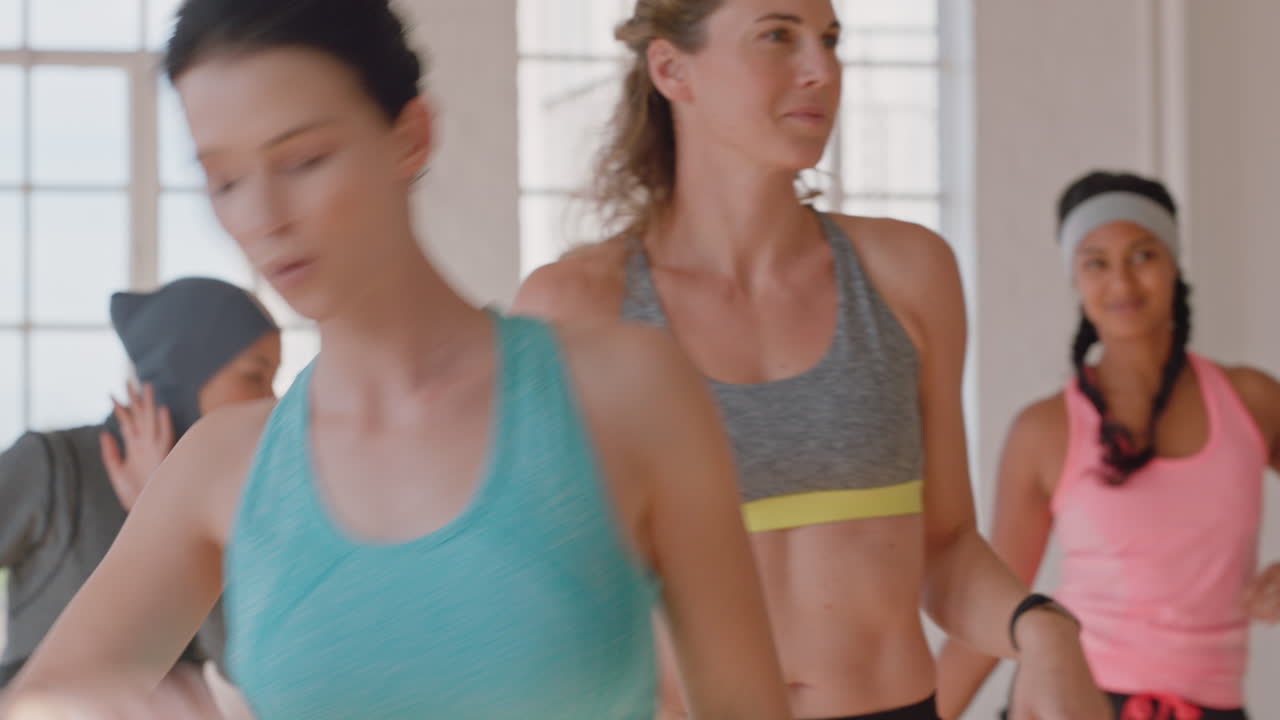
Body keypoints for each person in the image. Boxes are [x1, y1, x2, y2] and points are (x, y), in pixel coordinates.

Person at [0, 1, 791, 718]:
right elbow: (40, 705)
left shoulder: (628, 393)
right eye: (226, 180)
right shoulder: (219, 469)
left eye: (304, 160)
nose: (263, 216)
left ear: (409, 134)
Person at [513, 1, 1111, 718]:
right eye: (777, 36)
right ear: (672, 69)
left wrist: (1043, 629)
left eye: (830, 40)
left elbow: (946, 545)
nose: (821, 70)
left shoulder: (908, 274)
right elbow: (544, 604)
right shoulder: (576, 308)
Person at [935, 171, 1280, 720]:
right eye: (1095, 262)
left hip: (1214, 707)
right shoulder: (1044, 430)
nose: (1120, 283)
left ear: (1172, 265)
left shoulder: (1253, 401)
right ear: (1075, 279)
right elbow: (996, 602)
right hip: (1071, 702)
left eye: (1142, 255)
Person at [0, 276, 281, 688]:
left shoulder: (230, 498)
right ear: (184, 369)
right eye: (256, 376)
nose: (272, 402)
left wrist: (170, 510)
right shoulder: (59, 465)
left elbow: (245, 671)